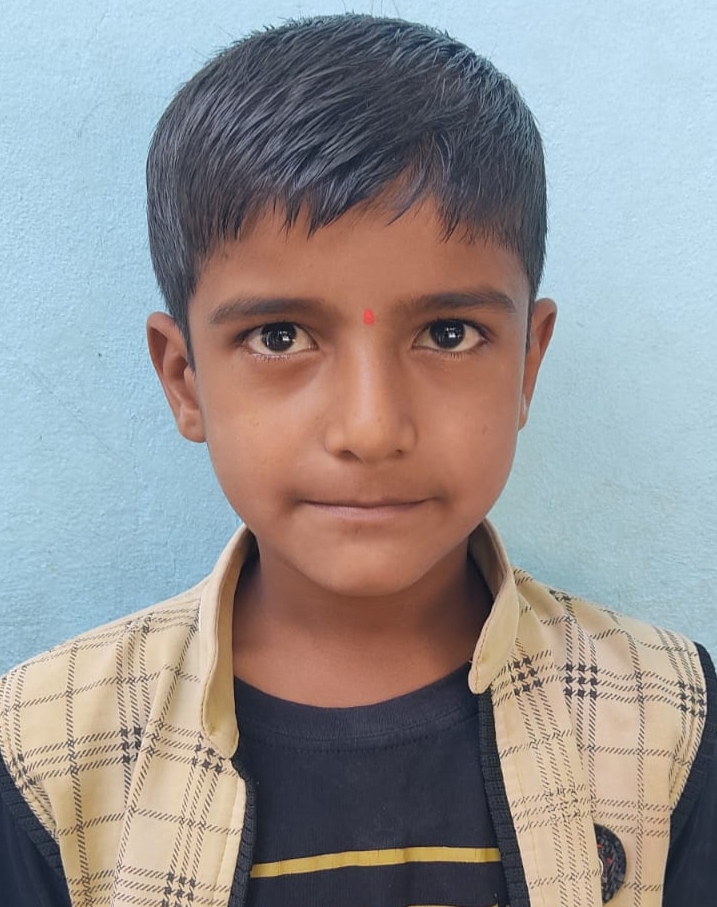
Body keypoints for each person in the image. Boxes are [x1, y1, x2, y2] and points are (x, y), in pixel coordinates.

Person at [0, 13, 714, 907]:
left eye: (447, 333)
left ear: (527, 365)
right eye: (280, 335)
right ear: (184, 380)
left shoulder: (664, 718)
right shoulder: (48, 748)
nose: (371, 429)